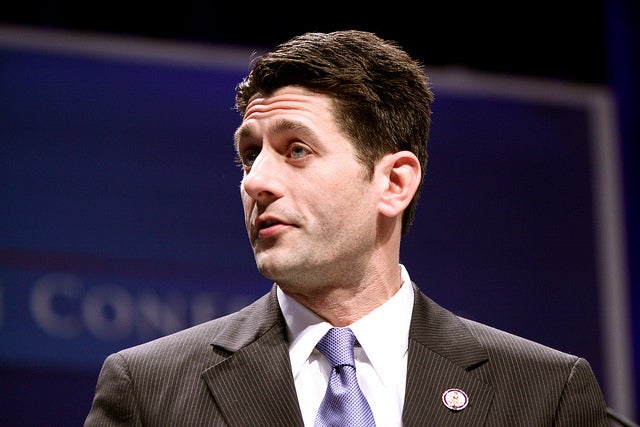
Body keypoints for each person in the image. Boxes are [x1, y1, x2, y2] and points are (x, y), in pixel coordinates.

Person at [84, 30, 611, 426]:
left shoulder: (543, 395)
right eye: (249, 155)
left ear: (393, 183)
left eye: (296, 149)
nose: (255, 181)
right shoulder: (148, 392)